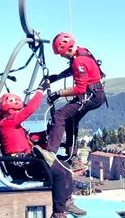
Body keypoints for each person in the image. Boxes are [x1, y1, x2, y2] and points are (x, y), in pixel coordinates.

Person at [0, 88, 86, 218]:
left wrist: (47, 133)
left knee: (65, 167)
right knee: (60, 173)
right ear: (12, 110)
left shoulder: (12, 126)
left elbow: (27, 139)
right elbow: (29, 110)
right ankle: (58, 213)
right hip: (23, 165)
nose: (19, 113)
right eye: (18, 110)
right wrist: (39, 92)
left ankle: (67, 201)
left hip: (27, 161)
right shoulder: (8, 123)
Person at [39, 32, 107, 170]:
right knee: (70, 119)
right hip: (96, 94)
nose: (62, 56)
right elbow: (73, 70)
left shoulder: (79, 61)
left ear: (69, 49)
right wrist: (57, 77)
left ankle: (50, 153)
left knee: (60, 115)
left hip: (90, 96)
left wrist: (58, 94)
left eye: (63, 54)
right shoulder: (82, 52)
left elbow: (80, 89)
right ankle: (72, 156)